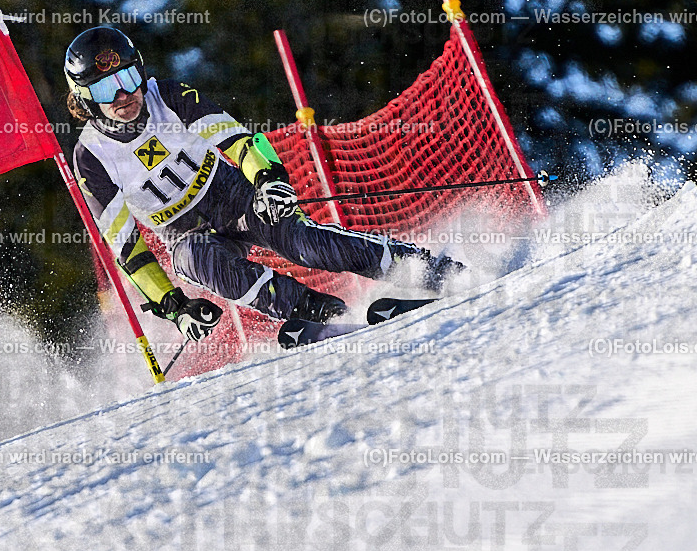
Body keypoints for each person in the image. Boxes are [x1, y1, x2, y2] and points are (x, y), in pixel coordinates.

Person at [65, 26, 462, 343]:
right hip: (182, 230)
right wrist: (175, 306)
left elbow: (237, 139)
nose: (123, 94)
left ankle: (428, 271)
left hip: (229, 194)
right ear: (84, 99)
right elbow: (127, 247)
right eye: (104, 89)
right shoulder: (90, 157)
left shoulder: (166, 95)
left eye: (129, 76)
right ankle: (325, 315)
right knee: (197, 262)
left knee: (300, 241)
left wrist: (268, 180)